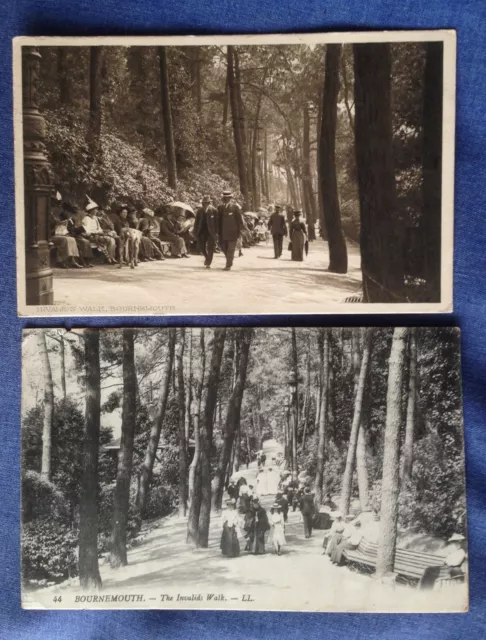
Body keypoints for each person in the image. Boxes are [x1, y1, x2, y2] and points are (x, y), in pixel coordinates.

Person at [81, 197, 117, 264]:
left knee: (112, 239)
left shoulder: (95, 218)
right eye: (95, 209)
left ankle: (111, 257)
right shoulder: (86, 219)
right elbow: (87, 231)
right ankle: (108, 258)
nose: (97, 211)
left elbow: (99, 228)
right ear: (91, 210)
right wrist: (97, 232)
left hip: (98, 235)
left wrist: (102, 231)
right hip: (91, 236)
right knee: (108, 239)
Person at [217, 190, 244, 271]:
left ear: (230, 198)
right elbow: (218, 221)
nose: (226, 199)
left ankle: (228, 265)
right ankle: (230, 260)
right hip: (223, 233)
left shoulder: (235, 208)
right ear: (223, 198)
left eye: (228, 198)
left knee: (230, 249)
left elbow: (239, 221)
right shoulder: (220, 207)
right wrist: (218, 231)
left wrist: (239, 232)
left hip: (233, 233)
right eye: (225, 198)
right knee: (223, 248)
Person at [194, 195, 218, 268]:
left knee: (210, 247)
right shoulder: (200, 210)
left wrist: (216, 232)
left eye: (207, 203)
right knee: (201, 247)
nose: (205, 204)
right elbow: (196, 221)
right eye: (204, 203)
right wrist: (195, 231)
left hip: (211, 232)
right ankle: (207, 257)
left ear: (209, 203)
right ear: (202, 203)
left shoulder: (214, 210)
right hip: (201, 231)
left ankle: (208, 262)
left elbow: (217, 222)